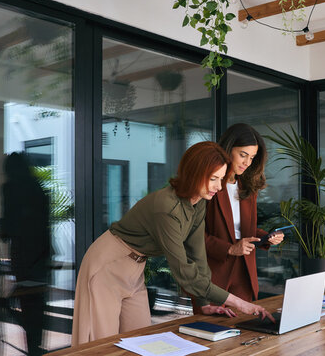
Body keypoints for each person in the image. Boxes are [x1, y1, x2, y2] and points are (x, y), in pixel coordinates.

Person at [71, 141, 274, 346]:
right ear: (193, 174)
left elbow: (197, 254)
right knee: (100, 345)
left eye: (221, 179)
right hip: (108, 265)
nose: (218, 187)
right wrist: (239, 303)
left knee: (140, 341)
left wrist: (204, 304)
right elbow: (183, 271)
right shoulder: (167, 208)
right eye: (213, 179)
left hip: (136, 267)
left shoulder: (200, 201)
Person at [193, 124, 284, 314]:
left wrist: (267, 237)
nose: (247, 162)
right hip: (214, 272)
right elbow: (192, 235)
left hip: (244, 271)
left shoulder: (248, 187)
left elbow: (244, 231)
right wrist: (229, 248)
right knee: (211, 334)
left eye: (251, 157)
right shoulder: (209, 184)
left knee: (245, 333)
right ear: (228, 149)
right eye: (243, 155)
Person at [1, 152, 51, 355]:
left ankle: (33, 345)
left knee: (22, 300)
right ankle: (35, 346)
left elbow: (6, 229)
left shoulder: (10, 188)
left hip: (23, 254)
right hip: (41, 253)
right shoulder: (38, 188)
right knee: (37, 304)